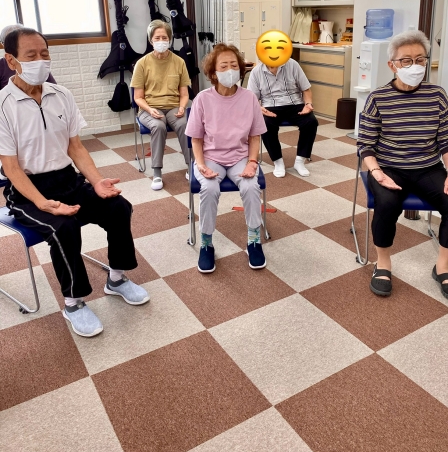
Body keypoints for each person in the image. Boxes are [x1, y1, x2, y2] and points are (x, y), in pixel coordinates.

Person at [0, 27, 149, 338]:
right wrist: (42, 202)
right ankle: (73, 302)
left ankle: (116, 279)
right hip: (27, 192)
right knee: (64, 227)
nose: (41, 61)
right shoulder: (2, 105)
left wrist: (97, 182)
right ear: (11, 61)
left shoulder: (61, 95)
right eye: (31, 56)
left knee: (119, 207)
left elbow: (76, 148)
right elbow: (11, 168)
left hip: (67, 179)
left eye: (44, 54)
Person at [357, 30, 448, 301]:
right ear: (392, 65)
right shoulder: (378, 98)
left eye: (420, 59)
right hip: (388, 167)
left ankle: (443, 267)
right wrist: (376, 172)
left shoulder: (437, 95)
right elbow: (365, 144)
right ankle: (383, 263)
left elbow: (447, 140)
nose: (415, 65)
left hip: (428, 168)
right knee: (386, 203)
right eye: (406, 60)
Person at [185, 43, 267, 273]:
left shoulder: (249, 98)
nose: (230, 70)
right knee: (209, 188)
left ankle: (254, 240)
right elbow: (196, 139)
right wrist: (201, 165)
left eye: (234, 65)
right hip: (210, 157)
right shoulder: (202, 99)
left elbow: (255, 136)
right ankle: (206, 243)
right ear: (213, 72)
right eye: (224, 66)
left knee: (251, 186)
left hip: (240, 156)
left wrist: (252, 162)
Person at [131, 20, 191, 190]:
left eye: (164, 37)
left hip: (174, 106)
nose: (161, 41)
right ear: (151, 40)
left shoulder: (179, 62)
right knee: (158, 126)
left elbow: (184, 94)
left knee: (185, 124)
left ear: (170, 39)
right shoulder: (142, 63)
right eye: (157, 38)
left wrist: (182, 107)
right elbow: (138, 97)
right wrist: (150, 109)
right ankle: (157, 172)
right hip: (149, 108)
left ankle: (191, 166)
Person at [248, 49, 318, 178]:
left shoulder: (292, 64)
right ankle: (278, 162)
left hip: (295, 103)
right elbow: (252, 98)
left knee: (311, 122)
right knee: (265, 124)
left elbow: (306, 89)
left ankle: (300, 161)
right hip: (270, 106)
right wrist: (259, 108)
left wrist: (308, 104)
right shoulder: (256, 72)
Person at [0, 24, 56, 89]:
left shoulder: (40, 64)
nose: (39, 59)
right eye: (31, 56)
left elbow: (52, 87)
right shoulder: (1, 66)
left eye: (44, 54)